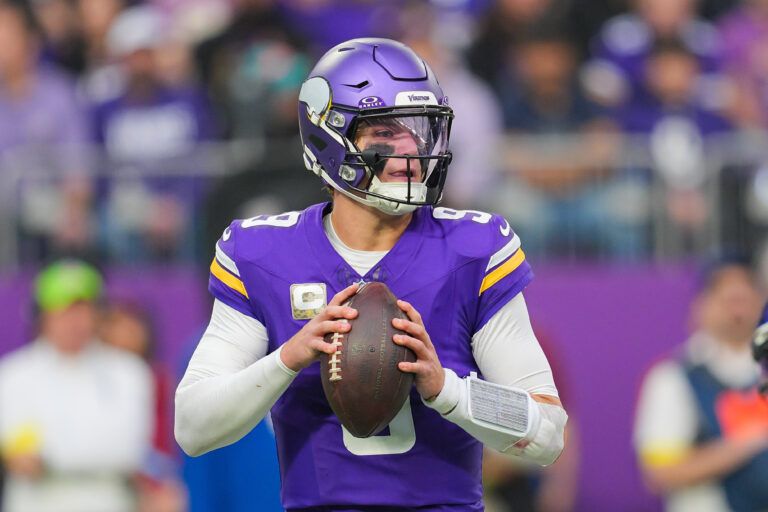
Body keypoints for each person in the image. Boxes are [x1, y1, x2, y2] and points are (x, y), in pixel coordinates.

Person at [175, 38, 568, 511]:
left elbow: (548, 433)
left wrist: (447, 390)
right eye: (385, 133)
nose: (410, 152)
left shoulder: (472, 250)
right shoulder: (263, 254)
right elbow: (192, 428)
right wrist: (289, 358)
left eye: (420, 132)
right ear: (328, 135)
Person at [0, 260, 154, 512]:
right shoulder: (12, 375)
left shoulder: (129, 372)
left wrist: (50, 458)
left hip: (107, 503)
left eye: (82, 309)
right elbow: (21, 457)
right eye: (62, 310)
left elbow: (129, 451)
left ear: (98, 314)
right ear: (42, 316)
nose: (73, 321)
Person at [634, 259, 768, 512]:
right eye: (727, 299)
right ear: (701, 306)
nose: (737, 310)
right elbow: (659, 472)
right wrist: (748, 441)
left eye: (745, 297)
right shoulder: (672, 378)